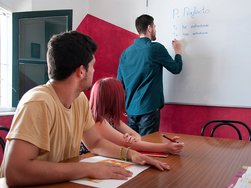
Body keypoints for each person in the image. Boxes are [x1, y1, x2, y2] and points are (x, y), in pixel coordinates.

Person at [0, 31, 170, 187]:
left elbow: (95, 143)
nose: (94, 70)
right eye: (93, 65)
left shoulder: (79, 99)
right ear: (81, 71)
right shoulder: (38, 102)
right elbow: (15, 172)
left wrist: (131, 155)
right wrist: (88, 168)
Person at [117, 14, 183, 136]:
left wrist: (124, 105)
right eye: (155, 26)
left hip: (131, 110)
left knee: (134, 147)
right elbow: (176, 68)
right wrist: (178, 52)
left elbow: (119, 84)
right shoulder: (155, 48)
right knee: (148, 147)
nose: (155, 29)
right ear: (149, 28)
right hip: (148, 110)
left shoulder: (126, 53)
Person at [90, 77, 184, 154]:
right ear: (115, 99)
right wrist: (165, 147)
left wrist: (133, 139)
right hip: (88, 159)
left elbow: (135, 135)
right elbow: (126, 144)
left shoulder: (111, 117)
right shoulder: (96, 120)